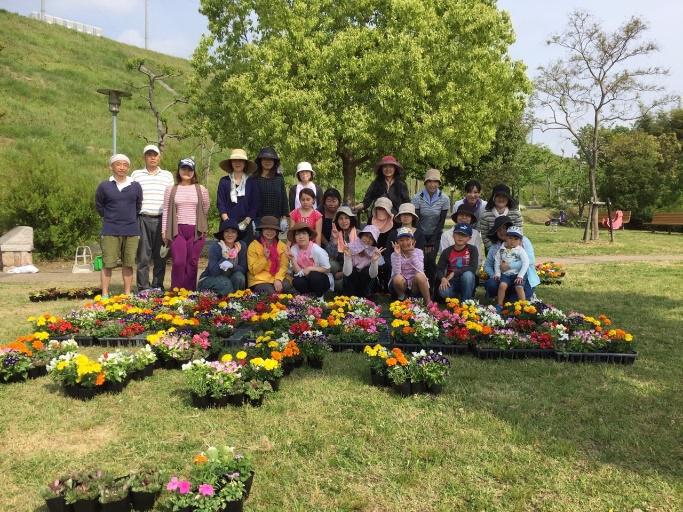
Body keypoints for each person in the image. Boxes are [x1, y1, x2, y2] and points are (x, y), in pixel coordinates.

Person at [95, 154, 143, 298]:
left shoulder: (135, 186)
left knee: (128, 263)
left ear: (128, 167)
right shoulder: (104, 186)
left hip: (131, 230)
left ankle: (127, 293)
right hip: (110, 230)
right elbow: (99, 206)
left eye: (125, 164)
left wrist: (128, 218)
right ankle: (104, 294)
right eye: (118, 164)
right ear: (111, 167)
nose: (122, 167)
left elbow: (138, 206)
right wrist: (111, 218)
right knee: (108, 263)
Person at [161, 158, 210, 291]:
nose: (186, 172)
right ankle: (176, 291)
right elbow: (166, 210)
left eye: (190, 169)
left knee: (192, 263)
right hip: (177, 230)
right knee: (179, 262)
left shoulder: (201, 189)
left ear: (194, 172)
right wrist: (164, 231)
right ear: (178, 170)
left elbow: (205, 209)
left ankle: (189, 293)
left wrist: (201, 227)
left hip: (196, 230)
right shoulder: (171, 189)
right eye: (183, 168)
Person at [131, 144, 174, 291]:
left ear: (159, 157)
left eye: (155, 154)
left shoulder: (167, 175)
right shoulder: (136, 174)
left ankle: (157, 287)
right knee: (143, 257)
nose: (152, 157)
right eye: (149, 155)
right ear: (144, 157)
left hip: (162, 219)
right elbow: (132, 197)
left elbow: (171, 199)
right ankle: (143, 288)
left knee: (160, 257)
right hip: (143, 218)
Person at [483, 216, 540, 302]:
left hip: (523, 276)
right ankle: (502, 295)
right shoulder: (495, 247)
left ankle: (510, 296)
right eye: (499, 229)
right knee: (491, 284)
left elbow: (530, 260)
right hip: (504, 277)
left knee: (516, 299)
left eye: (505, 228)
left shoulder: (523, 241)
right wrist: (494, 275)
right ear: (496, 232)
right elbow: (487, 265)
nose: (502, 231)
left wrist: (509, 266)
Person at [412, 168, 450, 283]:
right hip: (420, 233)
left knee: (431, 260)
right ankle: (419, 285)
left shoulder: (445, 199)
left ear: (439, 183)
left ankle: (432, 287)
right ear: (425, 182)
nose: (432, 184)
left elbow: (441, 221)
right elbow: (416, 220)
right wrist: (423, 239)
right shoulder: (417, 198)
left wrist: (432, 240)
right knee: (420, 260)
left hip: (435, 234)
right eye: (429, 181)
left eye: (435, 181)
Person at [216, 148, 260, 246]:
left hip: (245, 223)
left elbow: (255, 203)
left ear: (245, 163)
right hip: (227, 223)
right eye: (234, 160)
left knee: (244, 253)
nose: (237, 163)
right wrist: (227, 221)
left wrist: (247, 220)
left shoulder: (252, 182)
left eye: (240, 161)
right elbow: (220, 202)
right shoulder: (224, 181)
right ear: (231, 163)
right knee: (227, 253)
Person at [197, 219, 247, 295]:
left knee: (239, 277)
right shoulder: (216, 247)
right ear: (222, 234)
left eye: (233, 232)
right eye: (227, 231)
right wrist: (224, 257)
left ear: (237, 234)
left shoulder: (241, 246)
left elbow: (243, 269)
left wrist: (232, 266)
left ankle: (235, 301)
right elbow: (213, 272)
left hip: (229, 278)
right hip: (210, 278)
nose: (230, 235)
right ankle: (219, 302)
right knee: (225, 283)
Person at [354, 155, 410, 221]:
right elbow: (366, 202)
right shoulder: (375, 183)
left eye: (391, 167)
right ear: (381, 169)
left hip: (395, 221)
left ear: (395, 168)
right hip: (377, 220)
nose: (388, 169)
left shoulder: (401, 184)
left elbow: (406, 203)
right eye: (385, 167)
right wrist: (356, 207)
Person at [288, 223, 332, 299]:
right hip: (305, 278)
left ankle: (320, 297)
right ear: (295, 237)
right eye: (297, 234)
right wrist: (292, 259)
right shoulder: (294, 249)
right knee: (297, 281)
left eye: (304, 233)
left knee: (314, 275)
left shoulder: (317, 250)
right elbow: (298, 273)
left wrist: (310, 268)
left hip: (321, 280)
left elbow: (327, 269)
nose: (301, 237)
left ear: (309, 236)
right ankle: (307, 297)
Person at [247, 216, 290, 294]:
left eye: (273, 229)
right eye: (267, 229)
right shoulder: (253, 245)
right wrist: (265, 258)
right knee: (271, 293)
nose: (270, 232)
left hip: (277, 277)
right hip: (259, 280)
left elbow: (284, 266)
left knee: (288, 288)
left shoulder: (282, 246)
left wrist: (278, 279)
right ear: (262, 230)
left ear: (276, 231)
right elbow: (253, 270)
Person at [436, 223, 478, 301]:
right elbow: (439, 269)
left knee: (468, 275)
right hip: (452, 282)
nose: (460, 237)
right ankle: (459, 296)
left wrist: (455, 272)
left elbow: (473, 267)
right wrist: (443, 278)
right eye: (458, 234)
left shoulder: (472, 249)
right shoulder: (447, 251)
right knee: (443, 292)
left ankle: (466, 301)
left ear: (469, 238)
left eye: (464, 235)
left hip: (466, 279)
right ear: (453, 235)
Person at [390, 227, 431, 305]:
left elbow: (420, 269)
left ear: (413, 240)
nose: (405, 242)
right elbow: (397, 272)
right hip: (402, 284)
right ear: (397, 242)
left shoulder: (418, 252)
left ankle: (428, 301)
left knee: (420, 276)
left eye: (407, 239)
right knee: (397, 278)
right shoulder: (394, 254)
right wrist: (397, 255)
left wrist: (412, 253)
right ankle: (403, 298)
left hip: (415, 284)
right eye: (401, 240)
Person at [341, 225, 385, 298]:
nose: (367, 240)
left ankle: (367, 297)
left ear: (374, 241)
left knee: (366, 270)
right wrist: (347, 257)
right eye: (366, 236)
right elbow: (346, 273)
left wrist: (374, 261)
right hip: (352, 278)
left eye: (371, 238)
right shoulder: (351, 247)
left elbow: (373, 275)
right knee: (353, 271)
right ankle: (349, 296)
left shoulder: (375, 251)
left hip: (366, 280)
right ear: (361, 235)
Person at [493, 226, 530, 308]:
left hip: (518, 274)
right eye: (510, 238)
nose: (512, 241)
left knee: (519, 287)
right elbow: (497, 261)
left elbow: (526, 262)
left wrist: (520, 276)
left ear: (520, 241)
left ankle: (524, 306)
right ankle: (499, 305)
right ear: (506, 238)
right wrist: (498, 274)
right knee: (502, 286)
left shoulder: (520, 250)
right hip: (506, 274)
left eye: (516, 239)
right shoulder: (501, 249)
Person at [479, 184, 523, 251]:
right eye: (498, 196)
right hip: (492, 248)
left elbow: (519, 233)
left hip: (513, 247)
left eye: (504, 196)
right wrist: (493, 251)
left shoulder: (516, 213)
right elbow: (485, 236)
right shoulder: (485, 215)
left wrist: (512, 250)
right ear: (493, 198)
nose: (501, 199)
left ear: (508, 198)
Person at [255, 147, 289, 232]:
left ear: (275, 162)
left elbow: (284, 198)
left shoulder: (279, 178)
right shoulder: (254, 178)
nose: (268, 162)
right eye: (265, 159)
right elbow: (250, 200)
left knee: (273, 243)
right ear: (260, 161)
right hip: (258, 219)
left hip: (275, 219)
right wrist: (250, 219)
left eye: (271, 159)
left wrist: (284, 218)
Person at [325, 205, 358, 291]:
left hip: (354, 267)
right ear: (337, 221)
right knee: (330, 264)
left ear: (351, 219)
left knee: (340, 285)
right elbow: (329, 255)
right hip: (339, 265)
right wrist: (335, 240)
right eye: (341, 218)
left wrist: (342, 273)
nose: (344, 221)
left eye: (346, 218)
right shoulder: (336, 232)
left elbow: (360, 259)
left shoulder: (358, 234)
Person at [440, 203, 484, 267]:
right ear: (456, 217)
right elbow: (444, 258)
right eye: (461, 215)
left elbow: (478, 256)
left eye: (467, 215)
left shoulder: (475, 234)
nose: (464, 217)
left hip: (470, 270)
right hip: (450, 269)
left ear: (471, 218)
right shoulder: (446, 235)